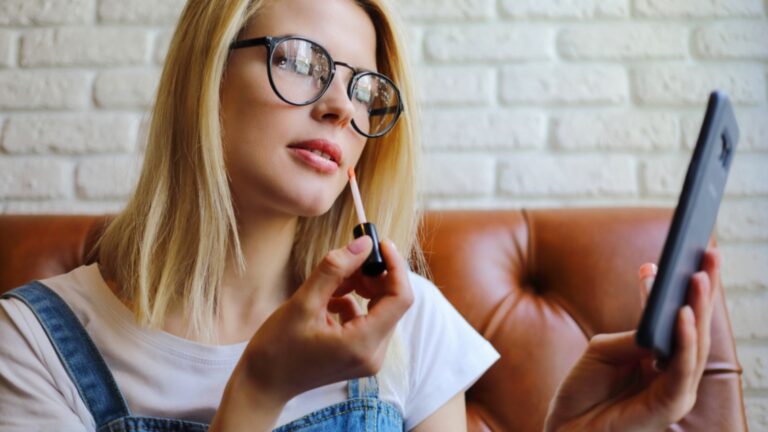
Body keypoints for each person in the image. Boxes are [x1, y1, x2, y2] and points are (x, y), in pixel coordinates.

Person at [0, 0, 721, 431]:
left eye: (364, 88)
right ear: (205, 75)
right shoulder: (33, 345)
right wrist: (258, 390)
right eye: (299, 60)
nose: (341, 107)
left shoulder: (410, 322)